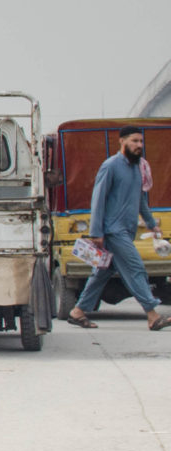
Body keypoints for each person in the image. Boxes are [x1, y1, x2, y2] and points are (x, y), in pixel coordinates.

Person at [67, 125, 171, 330]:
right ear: (121, 141)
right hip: (113, 231)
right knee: (136, 268)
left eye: (141, 142)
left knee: (102, 273)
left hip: (127, 231)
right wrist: (96, 232)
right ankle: (152, 315)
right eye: (134, 141)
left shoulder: (137, 167)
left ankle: (77, 312)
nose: (139, 145)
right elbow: (98, 199)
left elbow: (140, 200)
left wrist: (151, 224)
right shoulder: (111, 165)